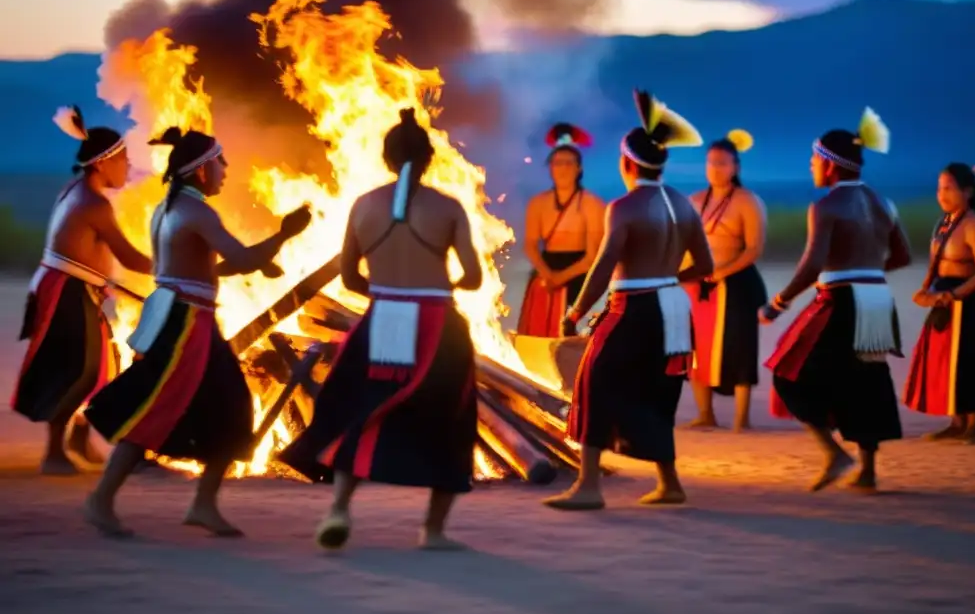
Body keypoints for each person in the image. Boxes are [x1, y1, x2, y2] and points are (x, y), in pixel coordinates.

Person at [83, 127, 311, 538]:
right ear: (203, 171)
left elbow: (202, 269)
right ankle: (101, 499)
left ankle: (203, 505)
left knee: (232, 407)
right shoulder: (197, 211)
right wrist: (284, 234)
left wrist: (261, 260)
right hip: (187, 324)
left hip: (186, 318)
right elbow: (240, 259)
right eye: (220, 162)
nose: (225, 169)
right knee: (156, 408)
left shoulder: (170, 207)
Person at [277, 107, 483, 551]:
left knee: (363, 410)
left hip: (383, 319)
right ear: (430, 159)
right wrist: (439, 283)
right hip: (437, 326)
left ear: (387, 159)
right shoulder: (448, 209)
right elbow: (474, 277)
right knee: (450, 421)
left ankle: (338, 509)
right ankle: (432, 531)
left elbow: (350, 279)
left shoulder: (363, 205)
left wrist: (389, 289)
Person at [542, 90, 712, 511]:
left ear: (628, 164)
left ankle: (587, 487)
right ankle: (669, 482)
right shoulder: (684, 205)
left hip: (633, 311)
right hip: (674, 312)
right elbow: (705, 264)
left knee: (593, 384)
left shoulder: (623, 207)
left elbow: (603, 267)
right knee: (657, 392)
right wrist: (667, 280)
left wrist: (576, 311)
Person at [760, 108, 912, 493]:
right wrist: (868, 275)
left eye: (814, 160)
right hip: (877, 299)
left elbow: (812, 264)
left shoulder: (825, 207)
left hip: (839, 301)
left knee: (787, 371)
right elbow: (902, 257)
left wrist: (779, 301)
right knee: (866, 379)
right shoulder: (884, 204)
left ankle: (833, 453)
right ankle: (867, 471)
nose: (811, 166)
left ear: (829, 166)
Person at [11, 106, 151, 475]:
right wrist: (178, 265)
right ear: (102, 163)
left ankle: (79, 438)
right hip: (66, 292)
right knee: (77, 369)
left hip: (73, 288)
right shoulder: (94, 204)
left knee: (103, 366)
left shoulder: (76, 190)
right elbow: (131, 258)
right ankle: (53, 453)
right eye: (122, 159)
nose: (127, 165)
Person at [903, 163, 975, 444]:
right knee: (946, 362)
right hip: (944, 299)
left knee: (970, 361)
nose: (942, 194)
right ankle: (957, 422)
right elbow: (936, 263)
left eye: (949, 188)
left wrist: (954, 295)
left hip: (972, 302)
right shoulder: (944, 223)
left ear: (968, 191)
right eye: (939, 188)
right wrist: (925, 290)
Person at [684, 130, 768, 431]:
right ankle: (706, 413)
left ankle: (741, 418)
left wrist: (721, 272)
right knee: (695, 348)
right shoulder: (693, 201)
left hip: (736, 284)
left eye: (722, 163)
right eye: (710, 162)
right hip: (697, 286)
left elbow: (754, 248)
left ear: (736, 167)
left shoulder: (748, 201)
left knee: (741, 347)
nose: (715, 168)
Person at [517, 123, 605, 337]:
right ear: (550, 167)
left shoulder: (593, 204)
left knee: (568, 335)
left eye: (568, 163)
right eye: (557, 163)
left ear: (579, 168)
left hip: (579, 275)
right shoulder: (537, 203)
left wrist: (560, 278)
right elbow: (530, 245)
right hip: (545, 272)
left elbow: (593, 256)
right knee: (534, 333)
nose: (562, 168)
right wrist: (547, 274)